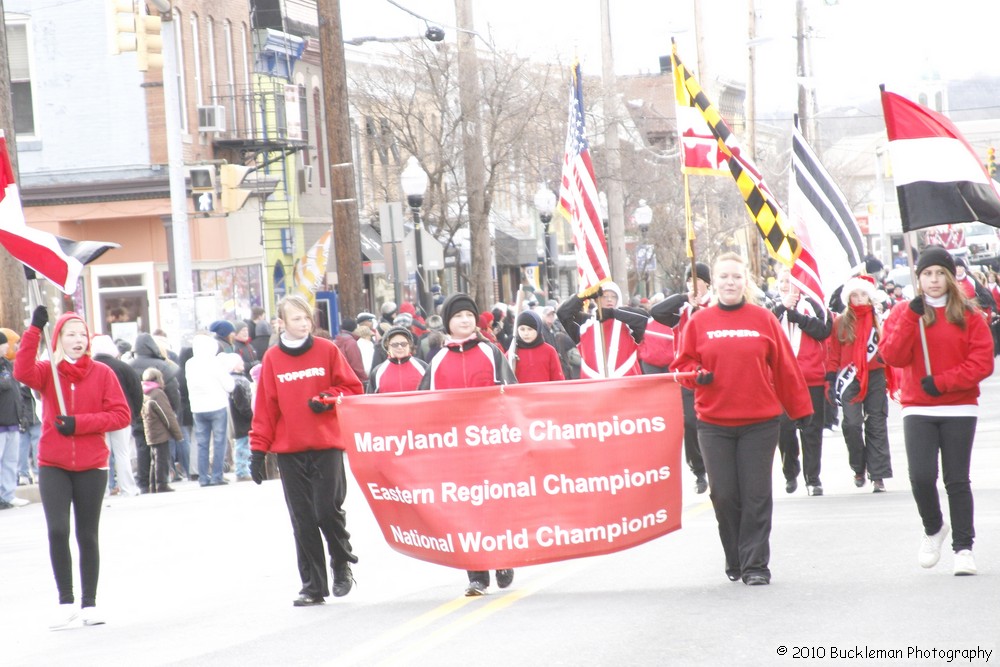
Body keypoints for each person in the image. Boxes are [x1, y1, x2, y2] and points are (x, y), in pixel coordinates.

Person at [670, 253, 812, 586]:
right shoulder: (699, 322)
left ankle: (755, 565)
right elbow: (680, 367)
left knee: (756, 494)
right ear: (713, 283)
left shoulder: (763, 319)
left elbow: (785, 369)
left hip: (759, 422)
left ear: (745, 281)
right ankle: (734, 555)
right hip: (714, 423)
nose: (730, 283)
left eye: (736, 277)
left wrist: (801, 410)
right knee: (724, 495)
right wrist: (696, 375)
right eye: (723, 277)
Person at [880, 246, 994, 576]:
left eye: (939, 273)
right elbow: (893, 356)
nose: (933, 280)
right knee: (920, 476)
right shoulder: (905, 311)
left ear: (950, 277)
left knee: (956, 479)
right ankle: (933, 528)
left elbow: (981, 363)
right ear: (918, 278)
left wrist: (943, 382)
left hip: (958, 406)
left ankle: (964, 548)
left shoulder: (969, 314)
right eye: (927, 274)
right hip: (918, 406)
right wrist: (909, 317)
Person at [14, 307, 131, 628]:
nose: (78, 340)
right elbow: (21, 372)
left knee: (86, 534)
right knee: (57, 530)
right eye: (70, 334)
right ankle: (66, 602)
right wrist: (33, 330)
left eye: (82, 334)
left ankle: (89, 603)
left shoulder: (103, 373)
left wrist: (78, 423)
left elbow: (121, 415)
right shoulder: (48, 372)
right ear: (59, 340)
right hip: (53, 462)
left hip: (93, 465)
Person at [250, 295, 364, 606]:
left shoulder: (327, 350)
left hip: (326, 445)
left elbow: (353, 388)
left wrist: (327, 396)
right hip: (290, 451)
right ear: (282, 323)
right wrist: (258, 452)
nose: (303, 324)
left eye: (306, 319)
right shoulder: (273, 358)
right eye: (296, 319)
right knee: (302, 519)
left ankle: (341, 560)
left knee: (326, 510)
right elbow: (266, 409)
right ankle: (313, 586)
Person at [418, 293, 517, 596]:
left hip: (489, 444)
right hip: (455, 450)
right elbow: (422, 405)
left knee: (494, 505)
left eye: (470, 316)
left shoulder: (490, 352)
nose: (465, 321)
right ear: (448, 323)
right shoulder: (437, 361)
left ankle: (502, 558)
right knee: (465, 511)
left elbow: (510, 392)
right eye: (459, 316)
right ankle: (476, 574)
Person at [826, 275, 893, 492]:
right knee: (852, 424)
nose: (859, 299)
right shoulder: (840, 322)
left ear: (870, 297)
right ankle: (858, 467)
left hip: (875, 376)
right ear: (848, 298)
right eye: (854, 295)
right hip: (850, 378)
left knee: (876, 424)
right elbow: (834, 353)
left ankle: (878, 475)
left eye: (863, 294)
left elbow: (890, 346)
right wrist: (830, 378)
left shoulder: (879, 321)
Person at [651, 262, 713, 494]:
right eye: (689, 280)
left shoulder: (715, 305)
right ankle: (699, 470)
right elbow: (656, 313)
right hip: (686, 373)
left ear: (706, 282)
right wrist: (685, 298)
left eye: (697, 280)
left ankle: (714, 464)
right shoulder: (681, 309)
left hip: (711, 372)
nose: (693, 284)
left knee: (710, 421)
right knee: (689, 422)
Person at [770, 268, 832, 496]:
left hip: (810, 377)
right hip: (782, 378)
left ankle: (813, 478)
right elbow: (765, 326)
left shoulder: (812, 304)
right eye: (782, 281)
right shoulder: (773, 307)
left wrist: (799, 318)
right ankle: (790, 471)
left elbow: (824, 330)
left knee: (812, 429)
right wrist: (783, 307)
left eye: (790, 280)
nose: (785, 285)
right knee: (784, 429)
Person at [557, 281, 647, 379]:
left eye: (613, 296)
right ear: (597, 299)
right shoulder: (586, 323)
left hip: (625, 386)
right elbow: (563, 313)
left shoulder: (628, 323)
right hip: (594, 387)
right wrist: (584, 296)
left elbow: (645, 319)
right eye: (604, 296)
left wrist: (613, 313)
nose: (609, 300)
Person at [128, 333, 182, 493]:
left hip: (138, 414)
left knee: (141, 448)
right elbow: (173, 391)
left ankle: (144, 483)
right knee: (160, 451)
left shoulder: (128, 365)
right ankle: (161, 482)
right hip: (158, 415)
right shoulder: (162, 366)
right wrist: (172, 410)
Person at [90, 334, 143, 498]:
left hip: (99, 417)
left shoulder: (90, 368)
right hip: (121, 416)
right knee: (123, 453)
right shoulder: (123, 367)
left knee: (102, 455)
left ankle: (102, 490)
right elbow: (136, 392)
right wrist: (133, 413)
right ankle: (128, 488)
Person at [186, 333, 235, 487]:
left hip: (197, 407)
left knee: (202, 443)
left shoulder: (190, 363)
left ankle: (203, 477)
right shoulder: (214, 363)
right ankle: (217, 476)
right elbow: (229, 385)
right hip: (217, 404)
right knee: (220, 442)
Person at [140, 368, 183, 493]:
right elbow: (167, 415)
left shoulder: (145, 393)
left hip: (150, 431)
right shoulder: (158, 393)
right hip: (160, 431)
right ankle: (162, 484)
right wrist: (177, 434)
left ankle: (153, 485)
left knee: (154, 459)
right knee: (162, 459)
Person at [0, 330, 26, 509]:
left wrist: (21, 414)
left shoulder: (8, 365)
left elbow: (16, 390)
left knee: (10, 461)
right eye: (5, 344)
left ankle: (8, 494)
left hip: (12, 420)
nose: (8, 347)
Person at [508, 310, 565, 383]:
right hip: (519, 393)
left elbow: (558, 379)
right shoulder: (511, 353)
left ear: (537, 329)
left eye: (530, 329)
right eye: (522, 329)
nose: (526, 333)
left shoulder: (549, 351)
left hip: (545, 393)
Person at [367, 327, 428, 394]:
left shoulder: (423, 367)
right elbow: (370, 399)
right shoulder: (377, 371)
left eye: (403, 344)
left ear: (409, 345)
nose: (400, 347)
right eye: (395, 345)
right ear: (387, 346)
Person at [222, 354, 254, 482]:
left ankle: (243, 469)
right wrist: (250, 414)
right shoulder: (237, 382)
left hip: (239, 417)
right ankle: (241, 471)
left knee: (243, 444)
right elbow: (241, 403)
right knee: (242, 445)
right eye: (239, 361)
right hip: (240, 419)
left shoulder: (238, 379)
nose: (242, 362)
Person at [333, 318, 368, 383]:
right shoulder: (351, 342)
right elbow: (356, 365)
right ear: (354, 328)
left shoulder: (336, 341)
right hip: (352, 380)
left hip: (340, 379)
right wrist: (365, 380)